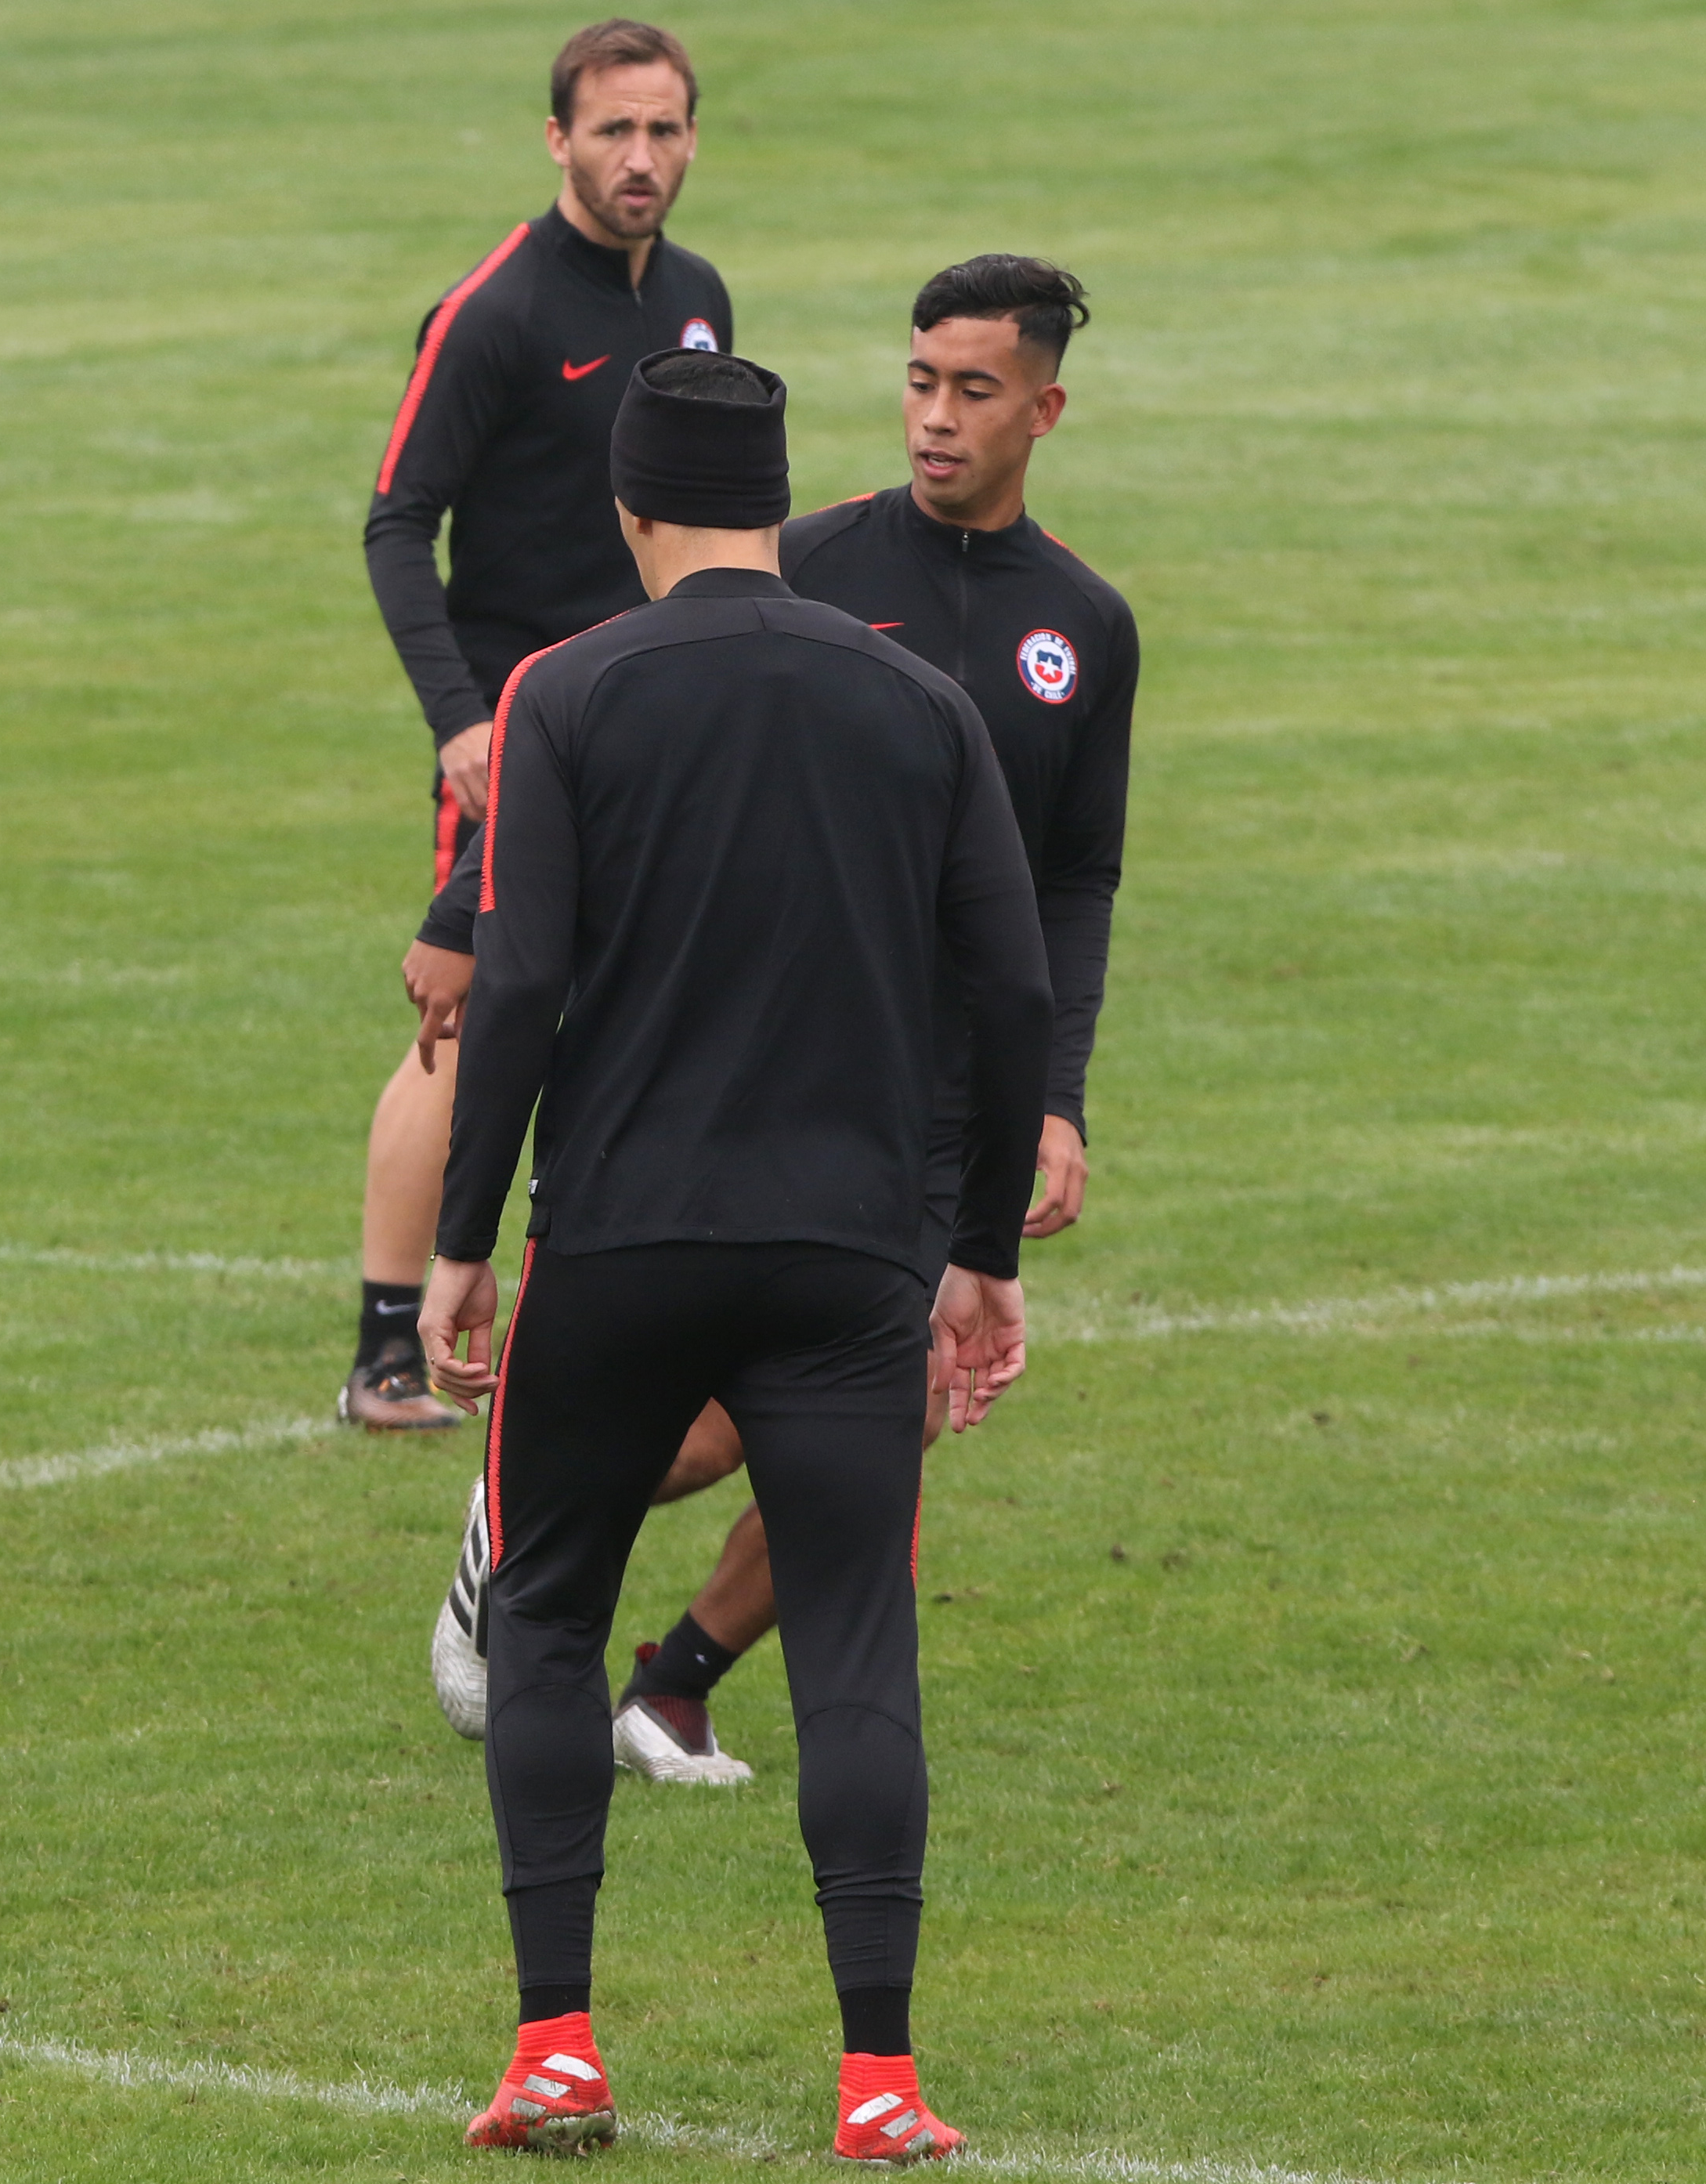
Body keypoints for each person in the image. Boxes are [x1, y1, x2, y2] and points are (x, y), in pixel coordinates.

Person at [418, 350, 1046, 2160]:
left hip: (619, 1238)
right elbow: (1005, 986)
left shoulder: (567, 687)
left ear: (628, 507)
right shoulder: (917, 697)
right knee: (857, 1632)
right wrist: (981, 1247)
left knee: (541, 1615)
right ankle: (881, 2078)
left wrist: (463, 1240)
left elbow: (521, 978)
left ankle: (557, 2048)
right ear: (782, 501)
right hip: (851, 1253)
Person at [419, 259, 1134, 1785]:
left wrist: (1053, 1097)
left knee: (902, 1422)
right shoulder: (794, 561)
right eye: (920, 381)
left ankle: (672, 1684)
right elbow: (598, 745)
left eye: (976, 390)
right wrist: (456, 917)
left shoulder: (1084, 624)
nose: (937, 419)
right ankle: (520, 1528)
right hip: (795, 1057)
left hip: (948, 1090)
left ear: (1045, 407)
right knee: (715, 1428)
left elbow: (1074, 883)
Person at [345, 17, 734, 1432]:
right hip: (522, 734)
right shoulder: (497, 312)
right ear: (556, 138)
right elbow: (398, 524)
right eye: (615, 130)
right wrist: (461, 719)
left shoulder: (698, 301)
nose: (643, 157)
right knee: (470, 1011)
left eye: (666, 130)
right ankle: (388, 1343)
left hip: (659, 712)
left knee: (623, 1001)